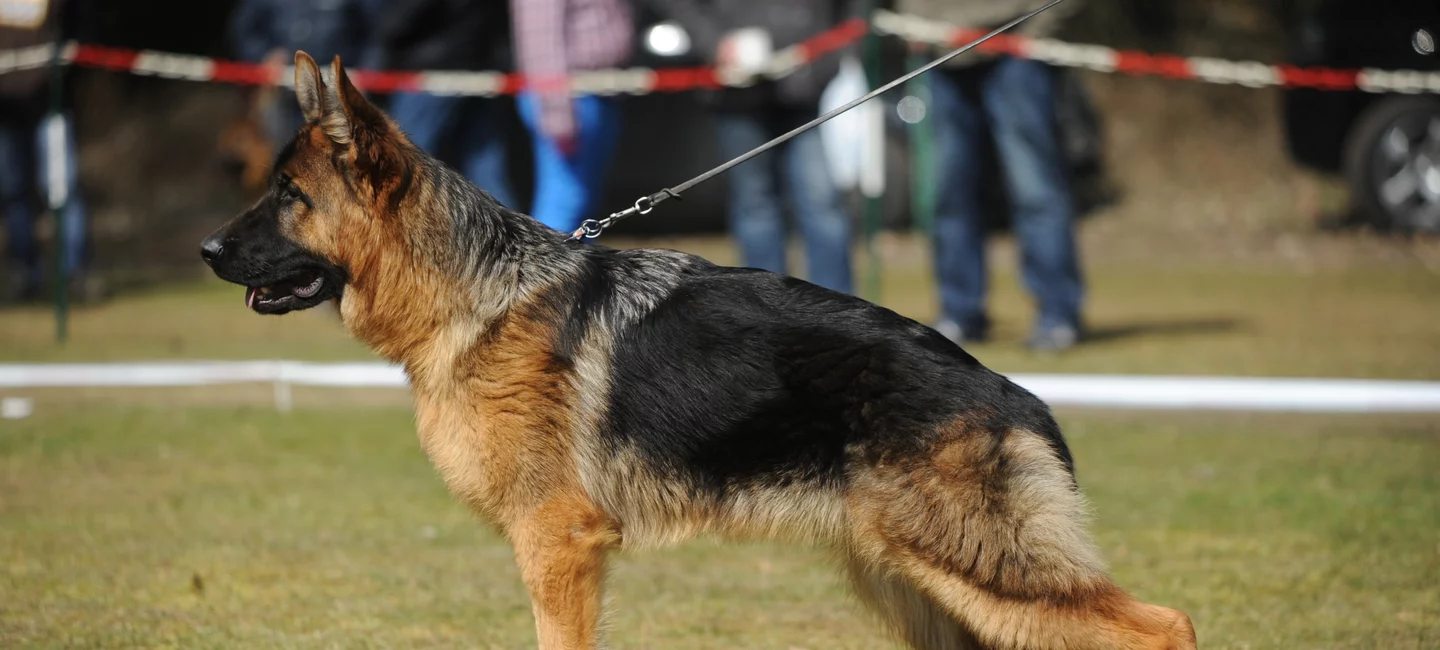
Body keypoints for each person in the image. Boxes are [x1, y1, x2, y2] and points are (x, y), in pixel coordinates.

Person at [899, 0, 1087, 351]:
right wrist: (913, 22)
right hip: (938, 55)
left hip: (1017, 51)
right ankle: (958, 315)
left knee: (1035, 190)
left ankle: (1058, 315)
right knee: (948, 194)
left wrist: (1035, 32)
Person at [651, 0, 857, 294]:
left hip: (809, 90)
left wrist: (833, 57)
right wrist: (714, 43)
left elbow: (852, 12)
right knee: (756, 206)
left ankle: (841, 314)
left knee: (823, 204)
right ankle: (769, 306)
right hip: (736, 96)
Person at [374, 0, 518, 209]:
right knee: (485, 169)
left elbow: (399, 22)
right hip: (479, 68)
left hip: (430, 75)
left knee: (403, 171)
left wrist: (383, 46)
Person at [510, 0, 632, 234]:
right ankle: (547, 269)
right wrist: (557, 113)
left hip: (597, 91)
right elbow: (541, 40)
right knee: (565, 202)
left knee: (584, 204)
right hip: (568, 97)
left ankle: (580, 269)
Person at [0, 0, 94, 303]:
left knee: (63, 188)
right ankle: (25, 273)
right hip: (5, 106)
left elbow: (82, 21)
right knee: (13, 190)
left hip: (50, 102)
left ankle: (75, 274)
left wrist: (67, 69)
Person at [227, 0, 383, 147]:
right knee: (275, 158)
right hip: (281, 92)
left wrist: (365, 74)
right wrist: (263, 55)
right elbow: (245, 29)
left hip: (338, 94)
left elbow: (377, 34)